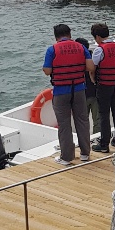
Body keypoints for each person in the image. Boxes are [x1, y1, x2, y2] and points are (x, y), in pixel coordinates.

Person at [42, 24, 91, 165]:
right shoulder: (81, 47)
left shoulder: (52, 49)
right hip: (79, 89)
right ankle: (85, 154)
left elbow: (47, 70)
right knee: (82, 121)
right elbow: (90, 67)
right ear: (70, 34)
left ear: (56, 36)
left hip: (61, 91)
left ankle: (67, 157)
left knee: (64, 124)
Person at [89, 23, 115, 154]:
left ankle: (104, 144)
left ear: (97, 36)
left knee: (104, 114)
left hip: (104, 85)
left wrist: (93, 80)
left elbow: (93, 68)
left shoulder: (100, 50)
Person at [76, 37, 99, 134]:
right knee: (98, 120)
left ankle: (84, 140)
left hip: (82, 95)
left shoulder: (77, 62)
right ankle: (98, 138)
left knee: (82, 121)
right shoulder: (95, 59)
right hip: (96, 93)